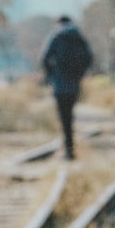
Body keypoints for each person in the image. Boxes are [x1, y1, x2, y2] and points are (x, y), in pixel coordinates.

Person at [41, 16, 93, 159]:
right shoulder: (78, 38)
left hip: (59, 85)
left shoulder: (55, 38)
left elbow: (45, 58)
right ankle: (70, 147)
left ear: (58, 24)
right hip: (74, 84)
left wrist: (51, 76)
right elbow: (89, 57)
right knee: (70, 115)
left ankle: (68, 150)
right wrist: (80, 74)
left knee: (63, 117)